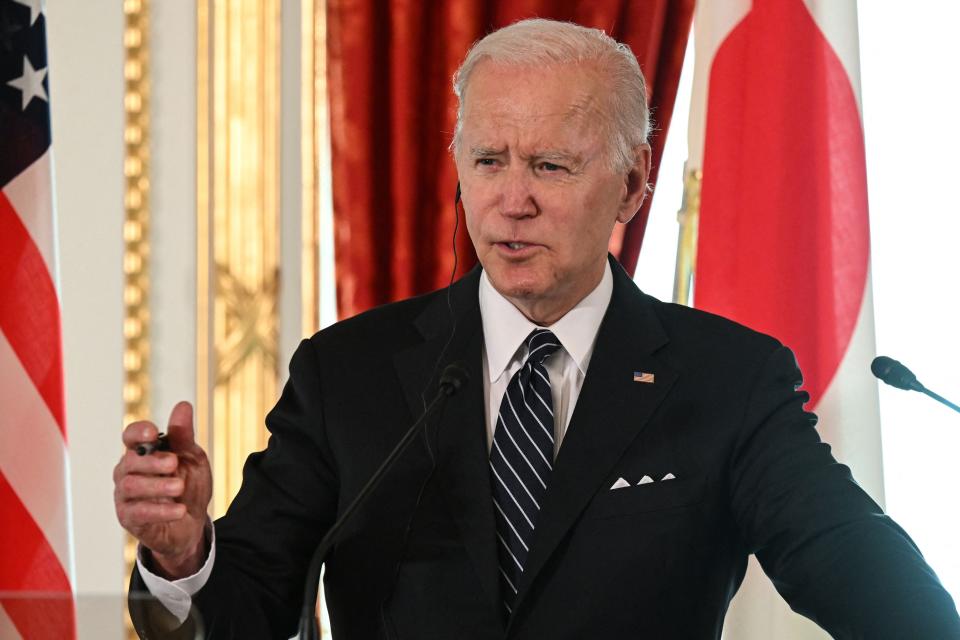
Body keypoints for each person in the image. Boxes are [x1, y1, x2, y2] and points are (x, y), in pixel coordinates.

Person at [115, 18, 960, 639]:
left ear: (631, 187)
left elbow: (873, 586)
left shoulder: (728, 382)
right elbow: (248, 610)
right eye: (488, 161)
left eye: (551, 166)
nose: (511, 200)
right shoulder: (350, 373)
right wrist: (185, 555)